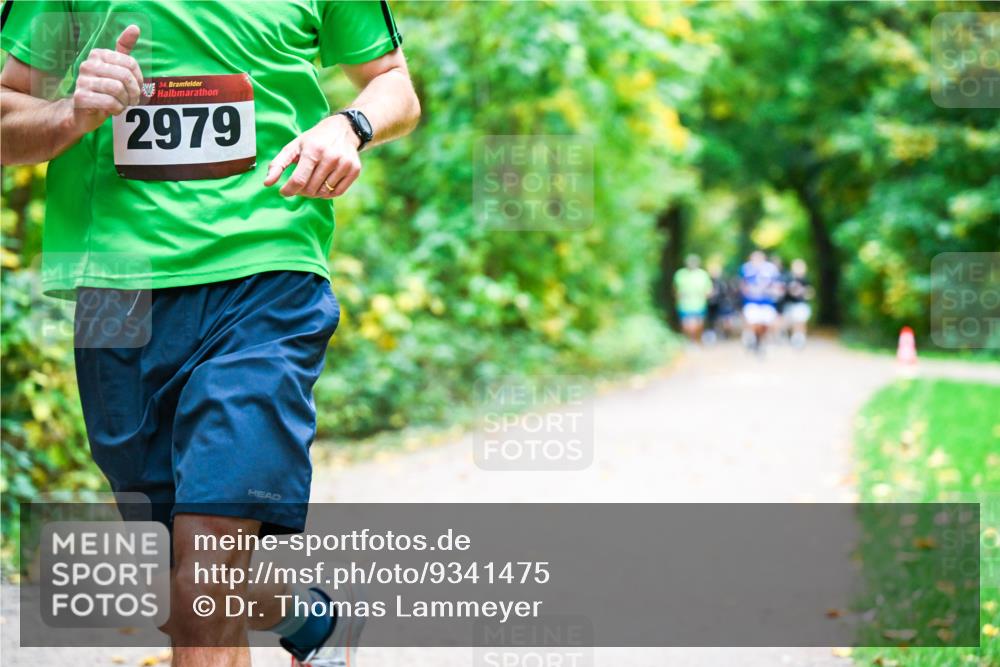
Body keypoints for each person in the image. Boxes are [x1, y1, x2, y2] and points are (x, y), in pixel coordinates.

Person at [1, 2, 419, 666]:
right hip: (117, 292)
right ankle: (307, 617)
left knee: (200, 580)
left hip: (267, 277)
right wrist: (71, 114)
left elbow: (394, 82)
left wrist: (349, 125)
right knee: (182, 581)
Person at [739, 250, 781, 353]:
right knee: (754, 322)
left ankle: (760, 340)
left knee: (766, 324)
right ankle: (754, 339)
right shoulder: (746, 268)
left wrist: (773, 292)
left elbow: (776, 284)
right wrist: (747, 292)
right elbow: (742, 284)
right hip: (751, 301)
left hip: (767, 302)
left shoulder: (770, 269)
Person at [673, 254, 713, 344]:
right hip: (684, 305)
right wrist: (678, 296)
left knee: (698, 325)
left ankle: (696, 341)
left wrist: (704, 294)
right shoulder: (680, 274)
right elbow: (675, 289)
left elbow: (709, 290)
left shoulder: (703, 274)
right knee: (686, 326)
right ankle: (688, 341)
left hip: (699, 305)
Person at [782, 258, 814, 348]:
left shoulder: (806, 279)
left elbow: (810, 292)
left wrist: (805, 293)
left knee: (801, 321)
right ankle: (793, 337)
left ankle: (800, 338)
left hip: (801, 304)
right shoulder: (788, 278)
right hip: (790, 305)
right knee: (792, 323)